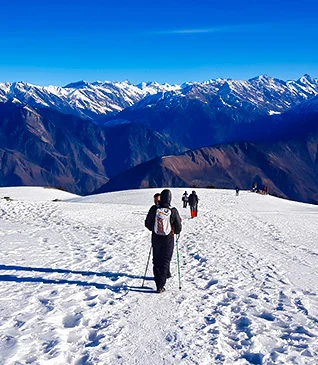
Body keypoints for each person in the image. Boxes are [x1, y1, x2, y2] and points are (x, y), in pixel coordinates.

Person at [145, 189, 182, 293]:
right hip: (168, 239)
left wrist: (154, 229)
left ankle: (158, 283)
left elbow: (147, 223)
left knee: (156, 260)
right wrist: (174, 231)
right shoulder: (173, 210)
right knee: (165, 261)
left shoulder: (154, 209)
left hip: (156, 238)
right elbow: (178, 228)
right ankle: (161, 286)